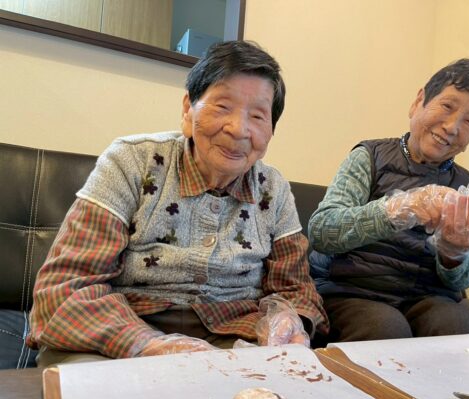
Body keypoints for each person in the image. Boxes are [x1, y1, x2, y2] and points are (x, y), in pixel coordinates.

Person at [27, 40, 328, 366]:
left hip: (232, 338)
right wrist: (146, 344)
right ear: (188, 109)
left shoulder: (274, 190)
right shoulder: (131, 162)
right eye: (223, 106)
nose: (239, 129)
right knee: (93, 391)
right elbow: (65, 289)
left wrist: (288, 319)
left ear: (270, 131)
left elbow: (297, 290)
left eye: (257, 116)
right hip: (123, 332)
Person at [308, 59, 469, 343]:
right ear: (418, 102)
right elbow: (322, 231)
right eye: (447, 106)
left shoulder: (465, 185)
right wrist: (398, 209)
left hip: (426, 298)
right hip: (352, 291)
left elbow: (464, 280)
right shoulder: (370, 157)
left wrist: (455, 253)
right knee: (385, 328)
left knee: (461, 330)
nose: (452, 127)